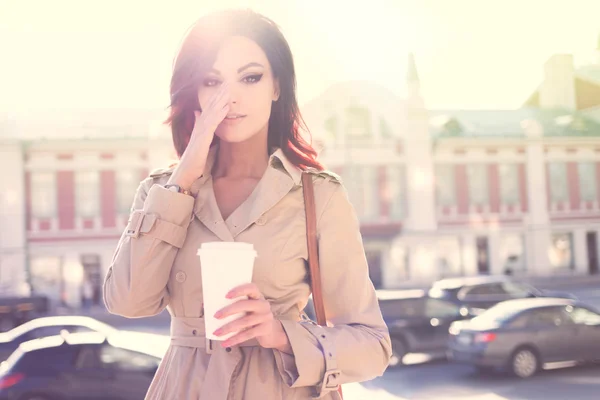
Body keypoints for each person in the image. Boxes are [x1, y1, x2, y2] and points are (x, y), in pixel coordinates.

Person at [103, 9, 391, 400]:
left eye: (250, 77)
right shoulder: (163, 191)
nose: (230, 96)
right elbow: (127, 302)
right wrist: (184, 175)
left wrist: (281, 333)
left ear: (277, 86)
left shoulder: (318, 195)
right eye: (211, 81)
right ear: (195, 93)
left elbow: (373, 347)